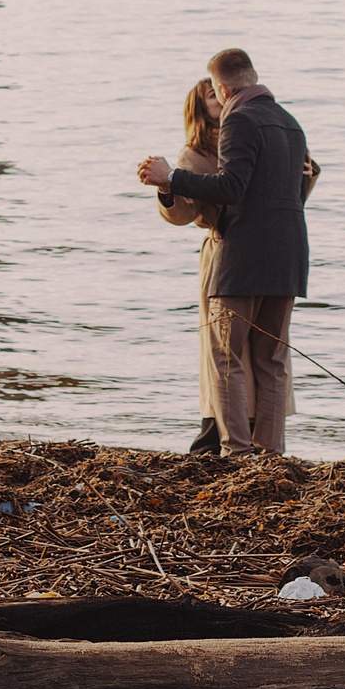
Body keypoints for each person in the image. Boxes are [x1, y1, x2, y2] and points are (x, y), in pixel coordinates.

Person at [137, 49, 316, 456]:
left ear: (223, 87)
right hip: (289, 256)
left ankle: (237, 454)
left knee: (226, 358)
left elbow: (233, 188)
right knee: (271, 362)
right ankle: (269, 457)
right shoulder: (290, 122)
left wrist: (170, 177)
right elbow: (286, 198)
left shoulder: (240, 120)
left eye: (217, 93)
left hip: (241, 256)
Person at [155, 78, 229, 456]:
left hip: (254, 249)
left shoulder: (247, 141)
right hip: (222, 253)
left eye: (221, 90)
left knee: (248, 353)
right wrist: (167, 188)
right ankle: (210, 438)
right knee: (221, 349)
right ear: (200, 109)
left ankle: (244, 434)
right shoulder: (195, 154)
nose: (222, 97)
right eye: (213, 94)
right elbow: (184, 213)